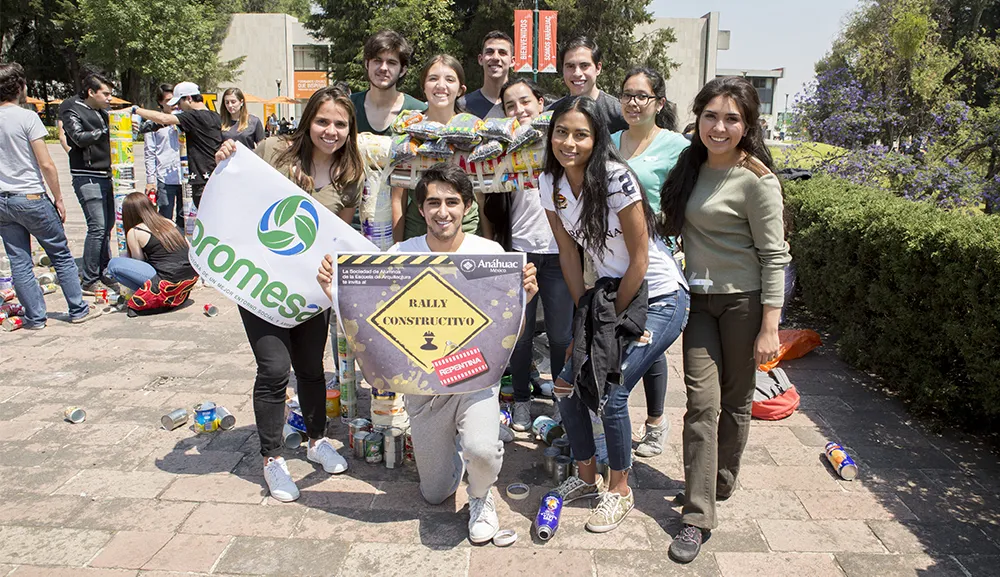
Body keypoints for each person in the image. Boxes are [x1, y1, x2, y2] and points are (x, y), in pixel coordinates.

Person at [317, 163, 538, 543]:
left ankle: (481, 495)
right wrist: (335, 292)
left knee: (483, 452)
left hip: (474, 381)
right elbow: (373, 320)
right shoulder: (402, 254)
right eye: (433, 202)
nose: (442, 211)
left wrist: (522, 299)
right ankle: (454, 448)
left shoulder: (489, 253)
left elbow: (505, 330)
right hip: (424, 393)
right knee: (435, 494)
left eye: (452, 202)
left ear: (467, 206)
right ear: (420, 209)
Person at [540, 95, 689, 534]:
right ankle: (587, 478)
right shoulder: (550, 183)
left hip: (659, 296)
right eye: (561, 132)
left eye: (581, 134)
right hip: (607, 295)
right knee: (565, 384)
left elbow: (641, 259)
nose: (569, 142)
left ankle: (620, 489)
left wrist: (608, 322)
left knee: (612, 389)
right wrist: (585, 313)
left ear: (597, 138)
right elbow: (568, 253)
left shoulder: (617, 179)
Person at [658, 76, 790, 563]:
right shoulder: (689, 166)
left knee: (735, 403)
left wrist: (770, 327)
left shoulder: (757, 180)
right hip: (699, 303)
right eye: (711, 116)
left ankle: (720, 481)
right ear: (697, 118)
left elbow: (775, 257)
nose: (719, 126)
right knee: (701, 403)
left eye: (731, 118)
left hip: (744, 304)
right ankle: (697, 516)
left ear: (747, 125)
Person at [214, 85, 365, 502]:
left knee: (312, 366)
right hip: (261, 281)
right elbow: (235, 185)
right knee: (275, 368)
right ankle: (272, 459)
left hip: (310, 288)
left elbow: (340, 236)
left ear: (349, 129)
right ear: (307, 121)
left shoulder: (350, 174)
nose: (330, 131)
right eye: (322, 121)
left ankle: (317, 439)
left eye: (339, 123)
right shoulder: (272, 152)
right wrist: (225, 160)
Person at [480, 78, 572, 431]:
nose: (519, 110)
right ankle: (520, 401)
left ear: (541, 102)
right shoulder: (503, 149)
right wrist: (496, 252)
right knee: (518, 335)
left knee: (562, 335)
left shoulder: (560, 143)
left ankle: (564, 401)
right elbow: (489, 200)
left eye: (525, 102)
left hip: (559, 253)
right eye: (510, 106)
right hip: (520, 252)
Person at [610, 67, 692, 457]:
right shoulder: (609, 142)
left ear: (659, 102)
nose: (633, 102)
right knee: (632, 334)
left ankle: (656, 421)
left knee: (650, 339)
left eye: (642, 96)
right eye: (627, 94)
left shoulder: (676, 145)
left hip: (654, 248)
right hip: (613, 252)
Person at [0, 62, 101, 327]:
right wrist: (58, 197)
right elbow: (45, 163)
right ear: (20, 87)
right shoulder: (27, 117)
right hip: (31, 196)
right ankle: (78, 309)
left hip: (3, 200)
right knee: (60, 254)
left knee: (19, 261)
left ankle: (35, 317)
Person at [391, 55, 479, 242]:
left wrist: (487, 238)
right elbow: (398, 197)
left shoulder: (474, 128)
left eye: (449, 79)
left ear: (461, 89)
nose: (441, 85)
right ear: (423, 86)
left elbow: (483, 192)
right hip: (418, 232)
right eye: (433, 79)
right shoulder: (408, 127)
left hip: (466, 230)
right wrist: (397, 250)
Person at [60, 70, 118, 294]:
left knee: (107, 226)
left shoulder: (103, 111)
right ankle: (89, 278)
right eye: (105, 94)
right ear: (91, 92)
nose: (109, 98)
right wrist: (105, 130)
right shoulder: (71, 107)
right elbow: (78, 138)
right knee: (97, 227)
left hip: (106, 175)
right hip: (87, 176)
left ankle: (104, 270)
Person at [133, 81, 222, 209]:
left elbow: (164, 119)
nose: (179, 107)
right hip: (213, 175)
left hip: (201, 180)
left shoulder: (193, 116)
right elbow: (161, 123)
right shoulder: (214, 116)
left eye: (179, 103)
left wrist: (137, 110)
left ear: (189, 98)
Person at [106, 192, 197, 311]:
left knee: (113, 265)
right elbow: (188, 246)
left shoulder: (135, 231)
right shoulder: (168, 222)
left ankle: (148, 294)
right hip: (189, 278)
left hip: (167, 281)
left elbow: (139, 262)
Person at [350, 30, 427, 135]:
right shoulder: (348, 106)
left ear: (402, 70)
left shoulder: (419, 112)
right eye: (377, 61)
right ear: (367, 64)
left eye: (391, 63)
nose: (383, 68)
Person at [558, 36, 627, 134]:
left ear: (598, 68)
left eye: (584, 66)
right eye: (570, 66)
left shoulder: (619, 114)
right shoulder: (552, 113)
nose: (577, 73)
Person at [140, 84, 183, 229]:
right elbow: (149, 152)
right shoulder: (152, 124)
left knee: (185, 217)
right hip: (164, 177)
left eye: (175, 100)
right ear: (160, 102)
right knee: (165, 218)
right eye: (168, 101)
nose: (173, 105)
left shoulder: (185, 119)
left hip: (185, 175)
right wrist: (151, 181)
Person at [462, 31, 513, 119]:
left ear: (512, 61)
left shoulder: (521, 105)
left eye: (502, 53)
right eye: (489, 52)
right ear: (480, 59)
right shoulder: (463, 105)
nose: (495, 57)